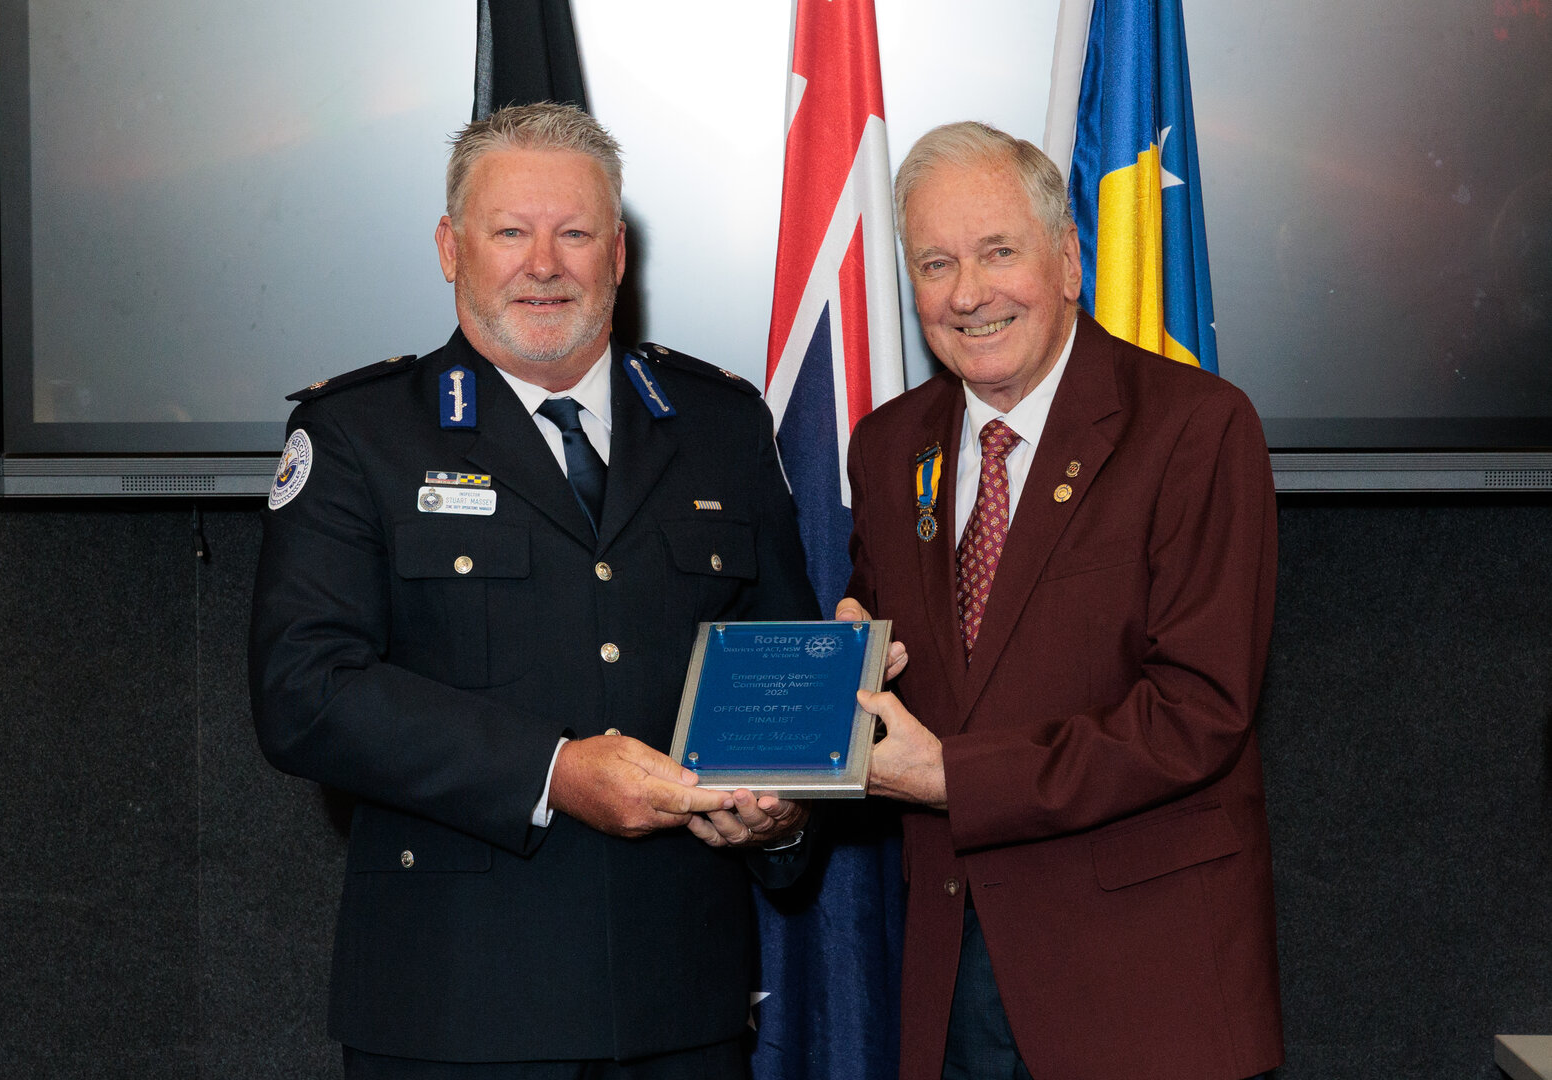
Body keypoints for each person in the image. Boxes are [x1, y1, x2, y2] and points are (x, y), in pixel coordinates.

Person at [249, 102, 820, 1079]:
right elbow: (305, 689)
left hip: (682, 1007)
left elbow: (779, 667)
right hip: (457, 1010)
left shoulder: (722, 424)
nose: (543, 264)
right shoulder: (359, 435)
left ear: (619, 254)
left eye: (575, 232)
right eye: (511, 231)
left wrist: (788, 810)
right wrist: (552, 771)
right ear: (450, 247)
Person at [837, 122, 1283, 1080]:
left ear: (1070, 259)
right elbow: (901, 650)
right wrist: (851, 675)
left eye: (999, 252)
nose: (969, 293)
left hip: (1142, 992)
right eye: (936, 263)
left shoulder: (1197, 430)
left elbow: (1198, 713)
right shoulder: (887, 447)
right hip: (952, 985)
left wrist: (956, 775)